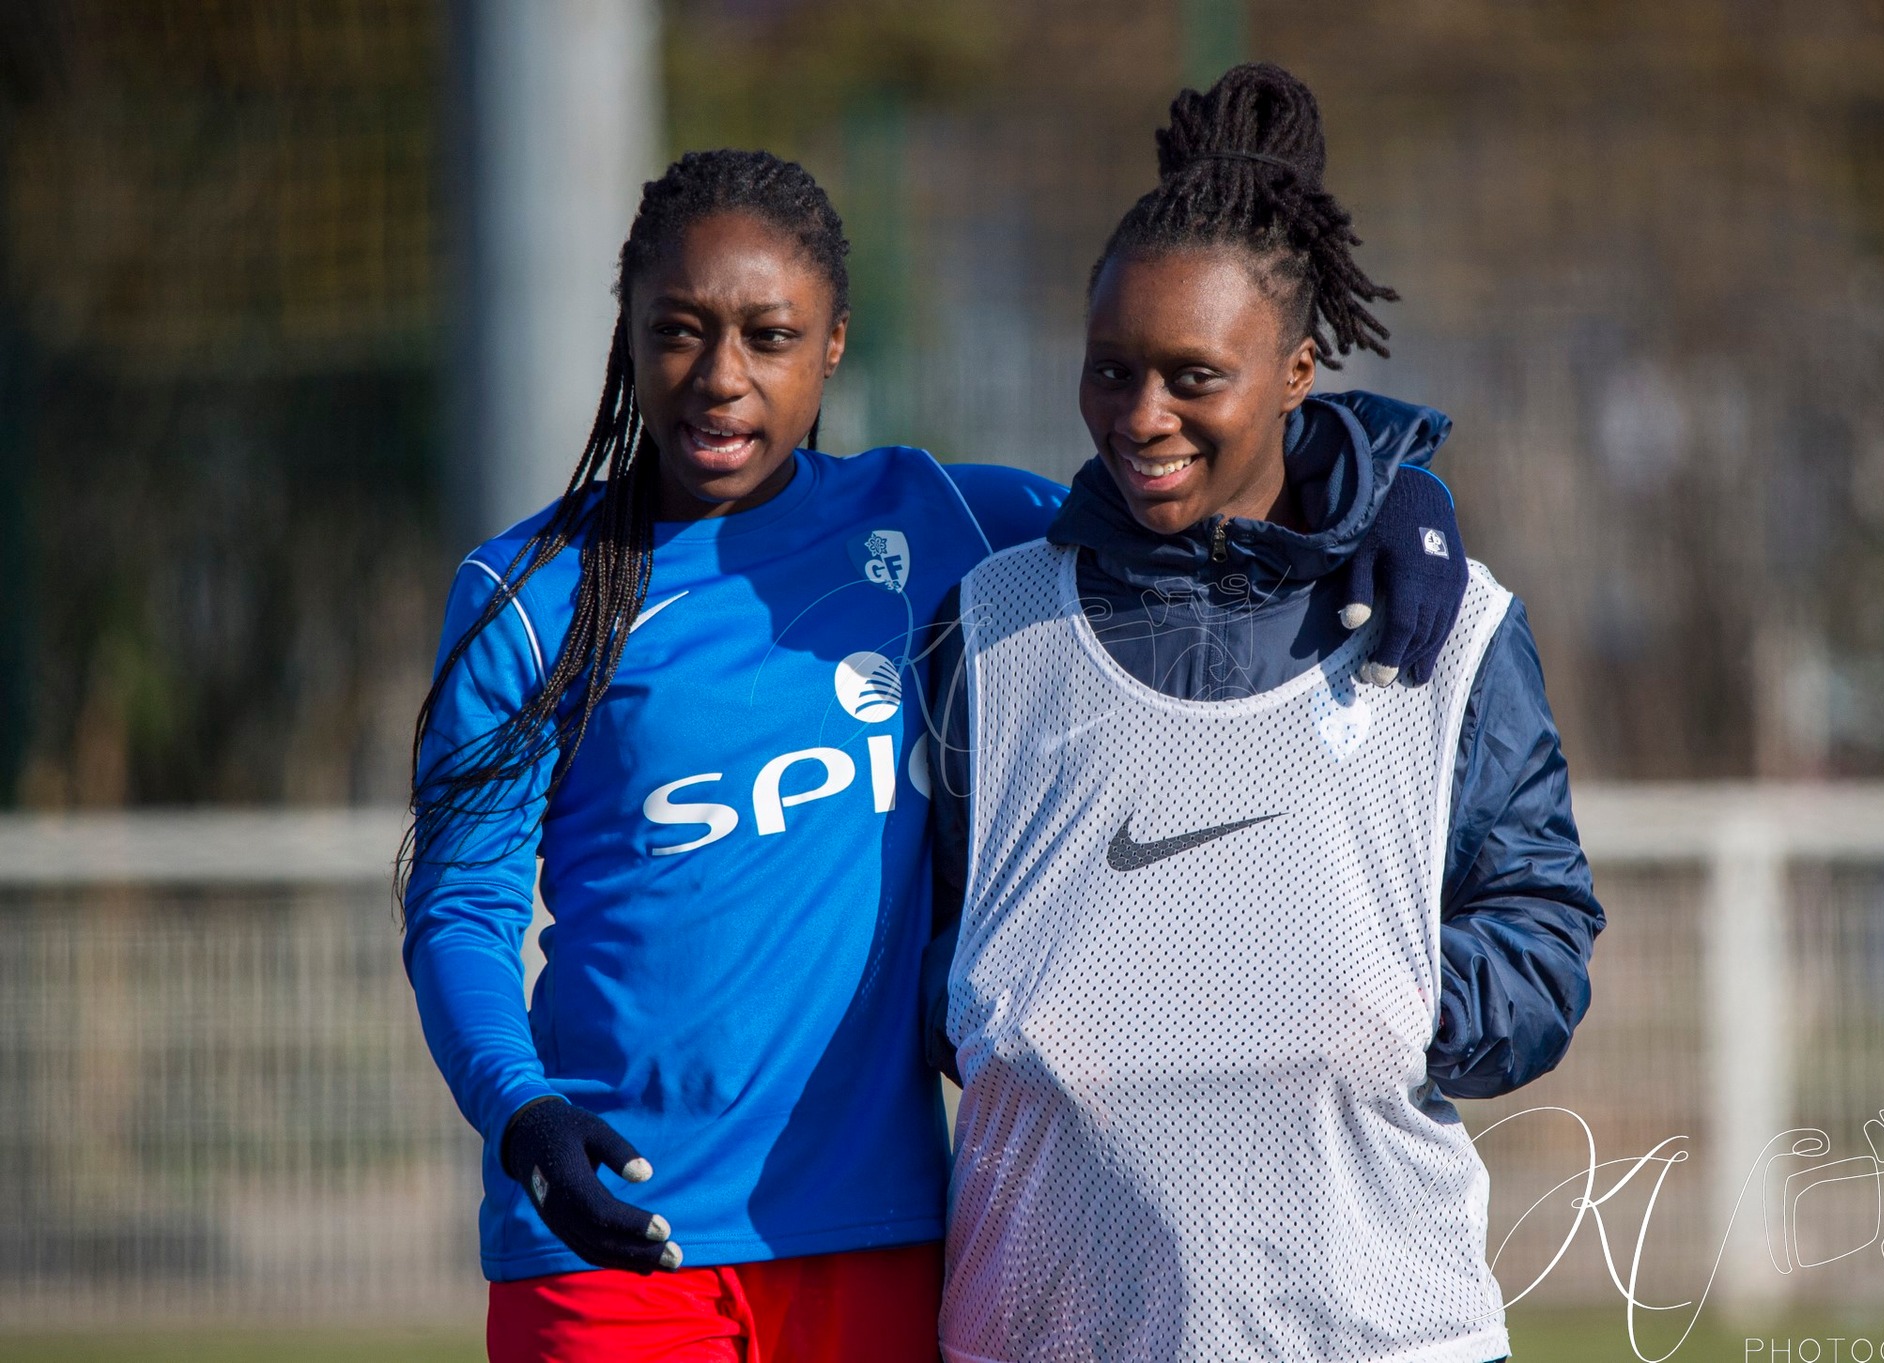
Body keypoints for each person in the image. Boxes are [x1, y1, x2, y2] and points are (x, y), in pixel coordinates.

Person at [402, 149, 1471, 1362]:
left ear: (833, 347)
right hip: (614, 1237)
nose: (719, 378)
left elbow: (1199, 476)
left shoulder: (938, 522)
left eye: (768, 335)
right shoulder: (529, 596)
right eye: (680, 331)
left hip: (891, 1240)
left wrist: (1401, 494)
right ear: (631, 334)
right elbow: (458, 910)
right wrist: (524, 1113)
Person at [924, 64, 1604, 1363]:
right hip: (1044, 1326)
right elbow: (923, 933)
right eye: (1110, 369)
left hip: (1373, 1328)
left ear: (1297, 369)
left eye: (1193, 374)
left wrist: (1380, 1006)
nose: (1141, 416)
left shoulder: (1447, 625)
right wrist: (1008, 1016)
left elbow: (1543, 926)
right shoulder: (991, 619)